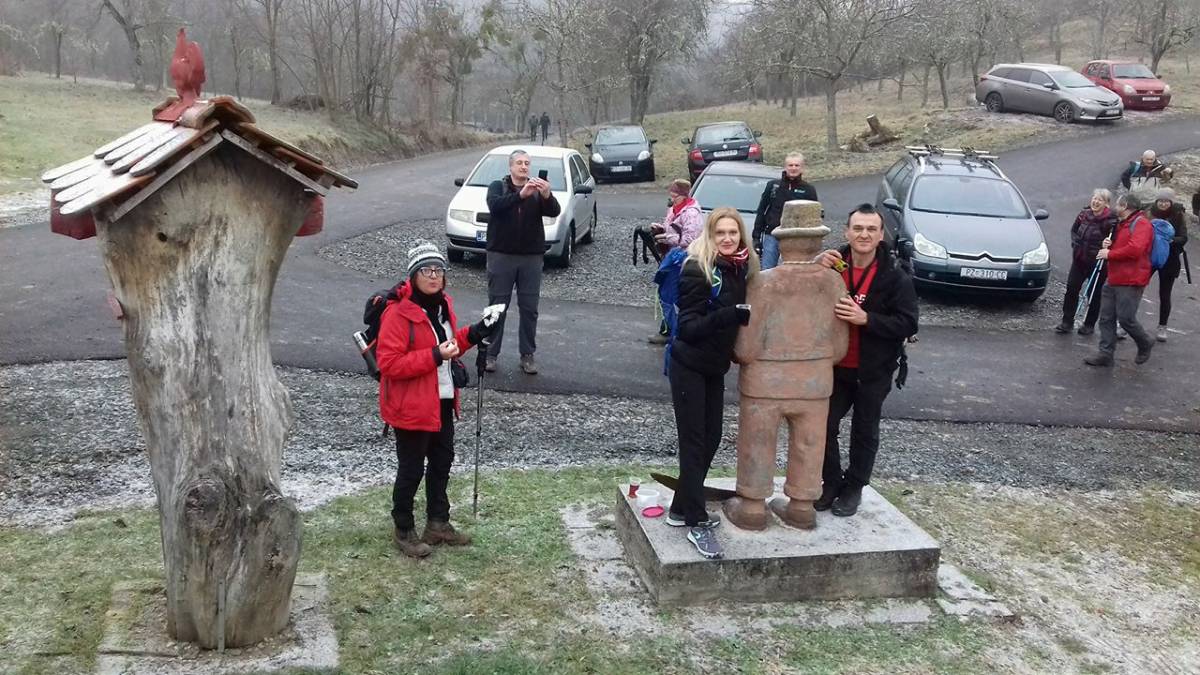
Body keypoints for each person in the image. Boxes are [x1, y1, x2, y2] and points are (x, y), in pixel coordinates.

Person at [376, 242, 495, 558]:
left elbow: (451, 345)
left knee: (442, 463)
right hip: (410, 405)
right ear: (413, 275)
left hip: (441, 400)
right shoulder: (398, 314)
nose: (434, 276)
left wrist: (478, 331)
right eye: (426, 270)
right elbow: (389, 364)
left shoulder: (443, 307)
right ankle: (403, 529)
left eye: (439, 270)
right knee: (411, 469)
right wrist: (433, 355)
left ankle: (438, 523)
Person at [814, 204, 919, 517]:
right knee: (822, 426)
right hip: (835, 367)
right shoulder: (832, 266)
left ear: (880, 234)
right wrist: (814, 263)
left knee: (864, 429)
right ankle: (831, 482)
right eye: (858, 228)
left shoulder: (895, 276)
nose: (863, 234)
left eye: (871, 229)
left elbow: (908, 323)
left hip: (873, 369)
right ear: (846, 231)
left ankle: (854, 487)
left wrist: (867, 319)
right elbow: (800, 288)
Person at [667, 207, 758, 559]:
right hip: (688, 365)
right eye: (720, 232)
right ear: (710, 234)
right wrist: (730, 315)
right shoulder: (698, 269)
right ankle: (695, 520)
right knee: (694, 442)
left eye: (733, 233)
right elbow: (687, 328)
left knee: (713, 437)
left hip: (713, 367)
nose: (727, 238)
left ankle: (679, 507)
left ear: (741, 236)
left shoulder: (739, 267)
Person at [484, 149, 560, 375]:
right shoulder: (497, 186)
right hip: (501, 255)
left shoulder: (537, 189)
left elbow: (553, 211)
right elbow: (495, 207)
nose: (523, 166)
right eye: (519, 163)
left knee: (529, 309)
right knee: (497, 306)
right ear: (510, 166)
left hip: (531, 257)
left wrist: (546, 195)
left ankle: (527, 355)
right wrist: (520, 195)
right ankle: (490, 353)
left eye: (527, 163)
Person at [1085, 193, 1155, 367]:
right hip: (1114, 277)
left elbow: (1136, 250)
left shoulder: (1142, 225)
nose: (1115, 207)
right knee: (1106, 317)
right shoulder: (1123, 224)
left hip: (1131, 280)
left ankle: (1144, 342)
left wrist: (1110, 253)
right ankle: (1106, 354)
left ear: (1125, 206)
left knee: (1126, 319)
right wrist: (1110, 245)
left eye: (1118, 204)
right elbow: (1126, 246)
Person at [649, 179, 704, 344]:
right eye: (671, 195)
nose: (672, 198)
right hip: (672, 257)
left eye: (675, 195)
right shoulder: (674, 208)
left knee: (670, 294)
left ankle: (674, 333)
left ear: (683, 195)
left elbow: (691, 238)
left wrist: (667, 238)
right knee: (666, 293)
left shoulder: (692, 213)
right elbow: (671, 228)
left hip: (683, 260)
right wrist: (661, 228)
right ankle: (669, 330)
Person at [1057, 189, 1116, 335]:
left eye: (1100, 200)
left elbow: (1115, 242)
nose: (1095, 202)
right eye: (1094, 198)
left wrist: (1109, 245)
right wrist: (1075, 243)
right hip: (1079, 259)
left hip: (1097, 263)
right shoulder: (1084, 214)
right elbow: (1074, 230)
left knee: (1094, 293)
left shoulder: (1111, 221)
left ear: (1106, 204)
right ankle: (1067, 322)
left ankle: (1089, 324)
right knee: (1071, 288)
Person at [752, 152, 819, 270]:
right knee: (767, 271)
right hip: (772, 235)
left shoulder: (809, 190)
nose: (793, 168)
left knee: (795, 271)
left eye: (797, 165)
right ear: (785, 167)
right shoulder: (773, 186)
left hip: (796, 238)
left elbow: (815, 216)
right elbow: (762, 210)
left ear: (802, 168)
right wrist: (756, 237)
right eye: (790, 165)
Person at [1148, 187, 1188, 342]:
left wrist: (1170, 241)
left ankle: (1162, 327)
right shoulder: (1150, 213)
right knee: (1137, 289)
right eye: (1160, 201)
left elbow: (1184, 238)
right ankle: (1126, 324)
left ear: (1171, 202)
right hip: (1150, 257)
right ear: (1156, 201)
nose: (1163, 204)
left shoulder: (1178, 215)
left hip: (1170, 260)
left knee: (1165, 294)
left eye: (1166, 201)